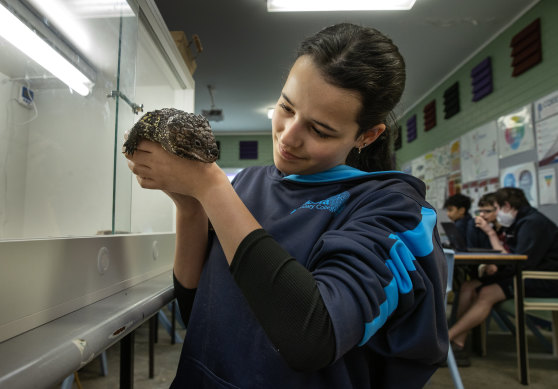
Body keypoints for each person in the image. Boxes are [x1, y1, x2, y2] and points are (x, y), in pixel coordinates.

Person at [126, 23, 448, 388]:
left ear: (367, 135)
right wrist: (190, 205)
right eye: (286, 107)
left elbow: (312, 337)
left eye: (320, 130)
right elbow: (198, 307)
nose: (289, 137)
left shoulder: (394, 212)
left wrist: (211, 187)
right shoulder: (247, 183)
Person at [448, 187, 558, 366]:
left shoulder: (532, 223)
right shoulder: (519, 222)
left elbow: (522, 261)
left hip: (543, 278)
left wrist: (498, 267)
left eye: (496, 208)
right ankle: (459, 343)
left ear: (506, 205)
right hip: (525, 274)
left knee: (487, 293)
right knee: (469, 286)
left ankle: (447, 339)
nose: (496, 213)